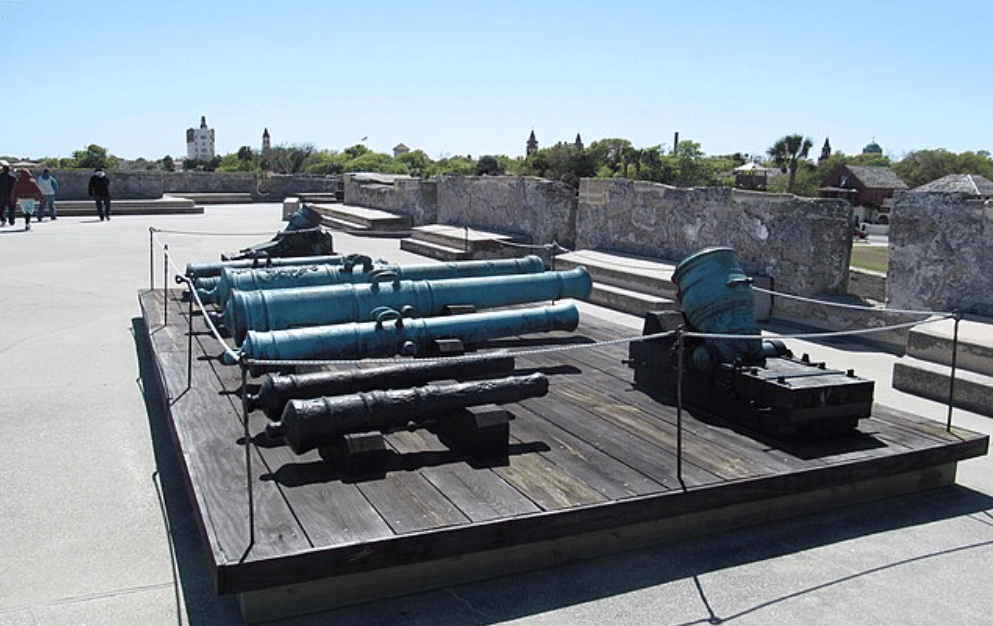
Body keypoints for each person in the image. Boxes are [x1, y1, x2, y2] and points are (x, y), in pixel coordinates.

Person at [0, 161, 16, 226]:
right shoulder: (12, 177)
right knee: (11, 208)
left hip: (2, 195)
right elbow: (15, 186)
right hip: (10, 194)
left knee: (1, 208)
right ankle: (11, 220)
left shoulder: (0, 177)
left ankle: (3, 219)